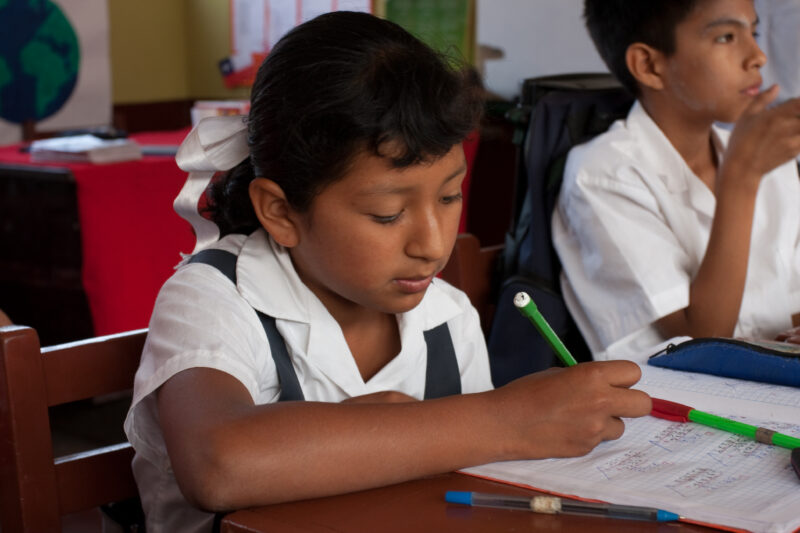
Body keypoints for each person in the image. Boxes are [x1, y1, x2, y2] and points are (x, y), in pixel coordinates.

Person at [124, 11, 651, 533]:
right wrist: (506, 418)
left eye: (449, 196)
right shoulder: (216, 297)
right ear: (282, 213)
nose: (433, 243)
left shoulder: (447, 316)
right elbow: (218, 465)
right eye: (387, 214)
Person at [553, 0, 800, 362]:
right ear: (650, 66)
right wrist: (741, 179)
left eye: (755, 32)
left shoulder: (763, 156)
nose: (758, 56)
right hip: (677, 401)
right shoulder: (603, 173)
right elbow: (701, 345)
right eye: (727, 37)